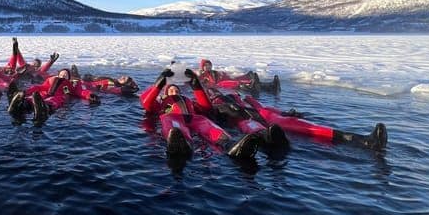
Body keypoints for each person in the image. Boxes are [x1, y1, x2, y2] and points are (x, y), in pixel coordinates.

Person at [184, 69, 386, 150]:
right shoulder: (210, 104)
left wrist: (285, 114)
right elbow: (204, 108)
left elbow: (260, 105)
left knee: (303, 126)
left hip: (262, 113)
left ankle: (365, 140)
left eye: (212, 91)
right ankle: (272, 142)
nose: (212, 92)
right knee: (254, 128)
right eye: (209, 92)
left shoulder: (238, 96)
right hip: (240, 119)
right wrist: (197, 87)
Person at [139, 69, 286, 159]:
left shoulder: (189, 102)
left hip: (195, 118)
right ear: (164, 94)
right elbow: (146, 103)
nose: (174, 91)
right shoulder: (161, 103)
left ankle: (229, 145)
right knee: (173, 125)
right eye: (171, 90)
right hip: (174, 119)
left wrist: (196, 84)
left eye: (176, 90)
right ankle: (183, 143)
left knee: (209, 125)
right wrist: (158, 84)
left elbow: (206, 107)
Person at [198, 59, 281, 95]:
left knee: (241, 79)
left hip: (225, 81)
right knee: (238, 83)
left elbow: (221, 75)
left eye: (209, 65)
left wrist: (223, 74)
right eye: (206, 65)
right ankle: (252, 85)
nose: (208, 67)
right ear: (202, 67)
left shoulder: (214, 72)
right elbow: (198, 80)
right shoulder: (203, 74)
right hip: (220, 85)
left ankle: (271, 85)